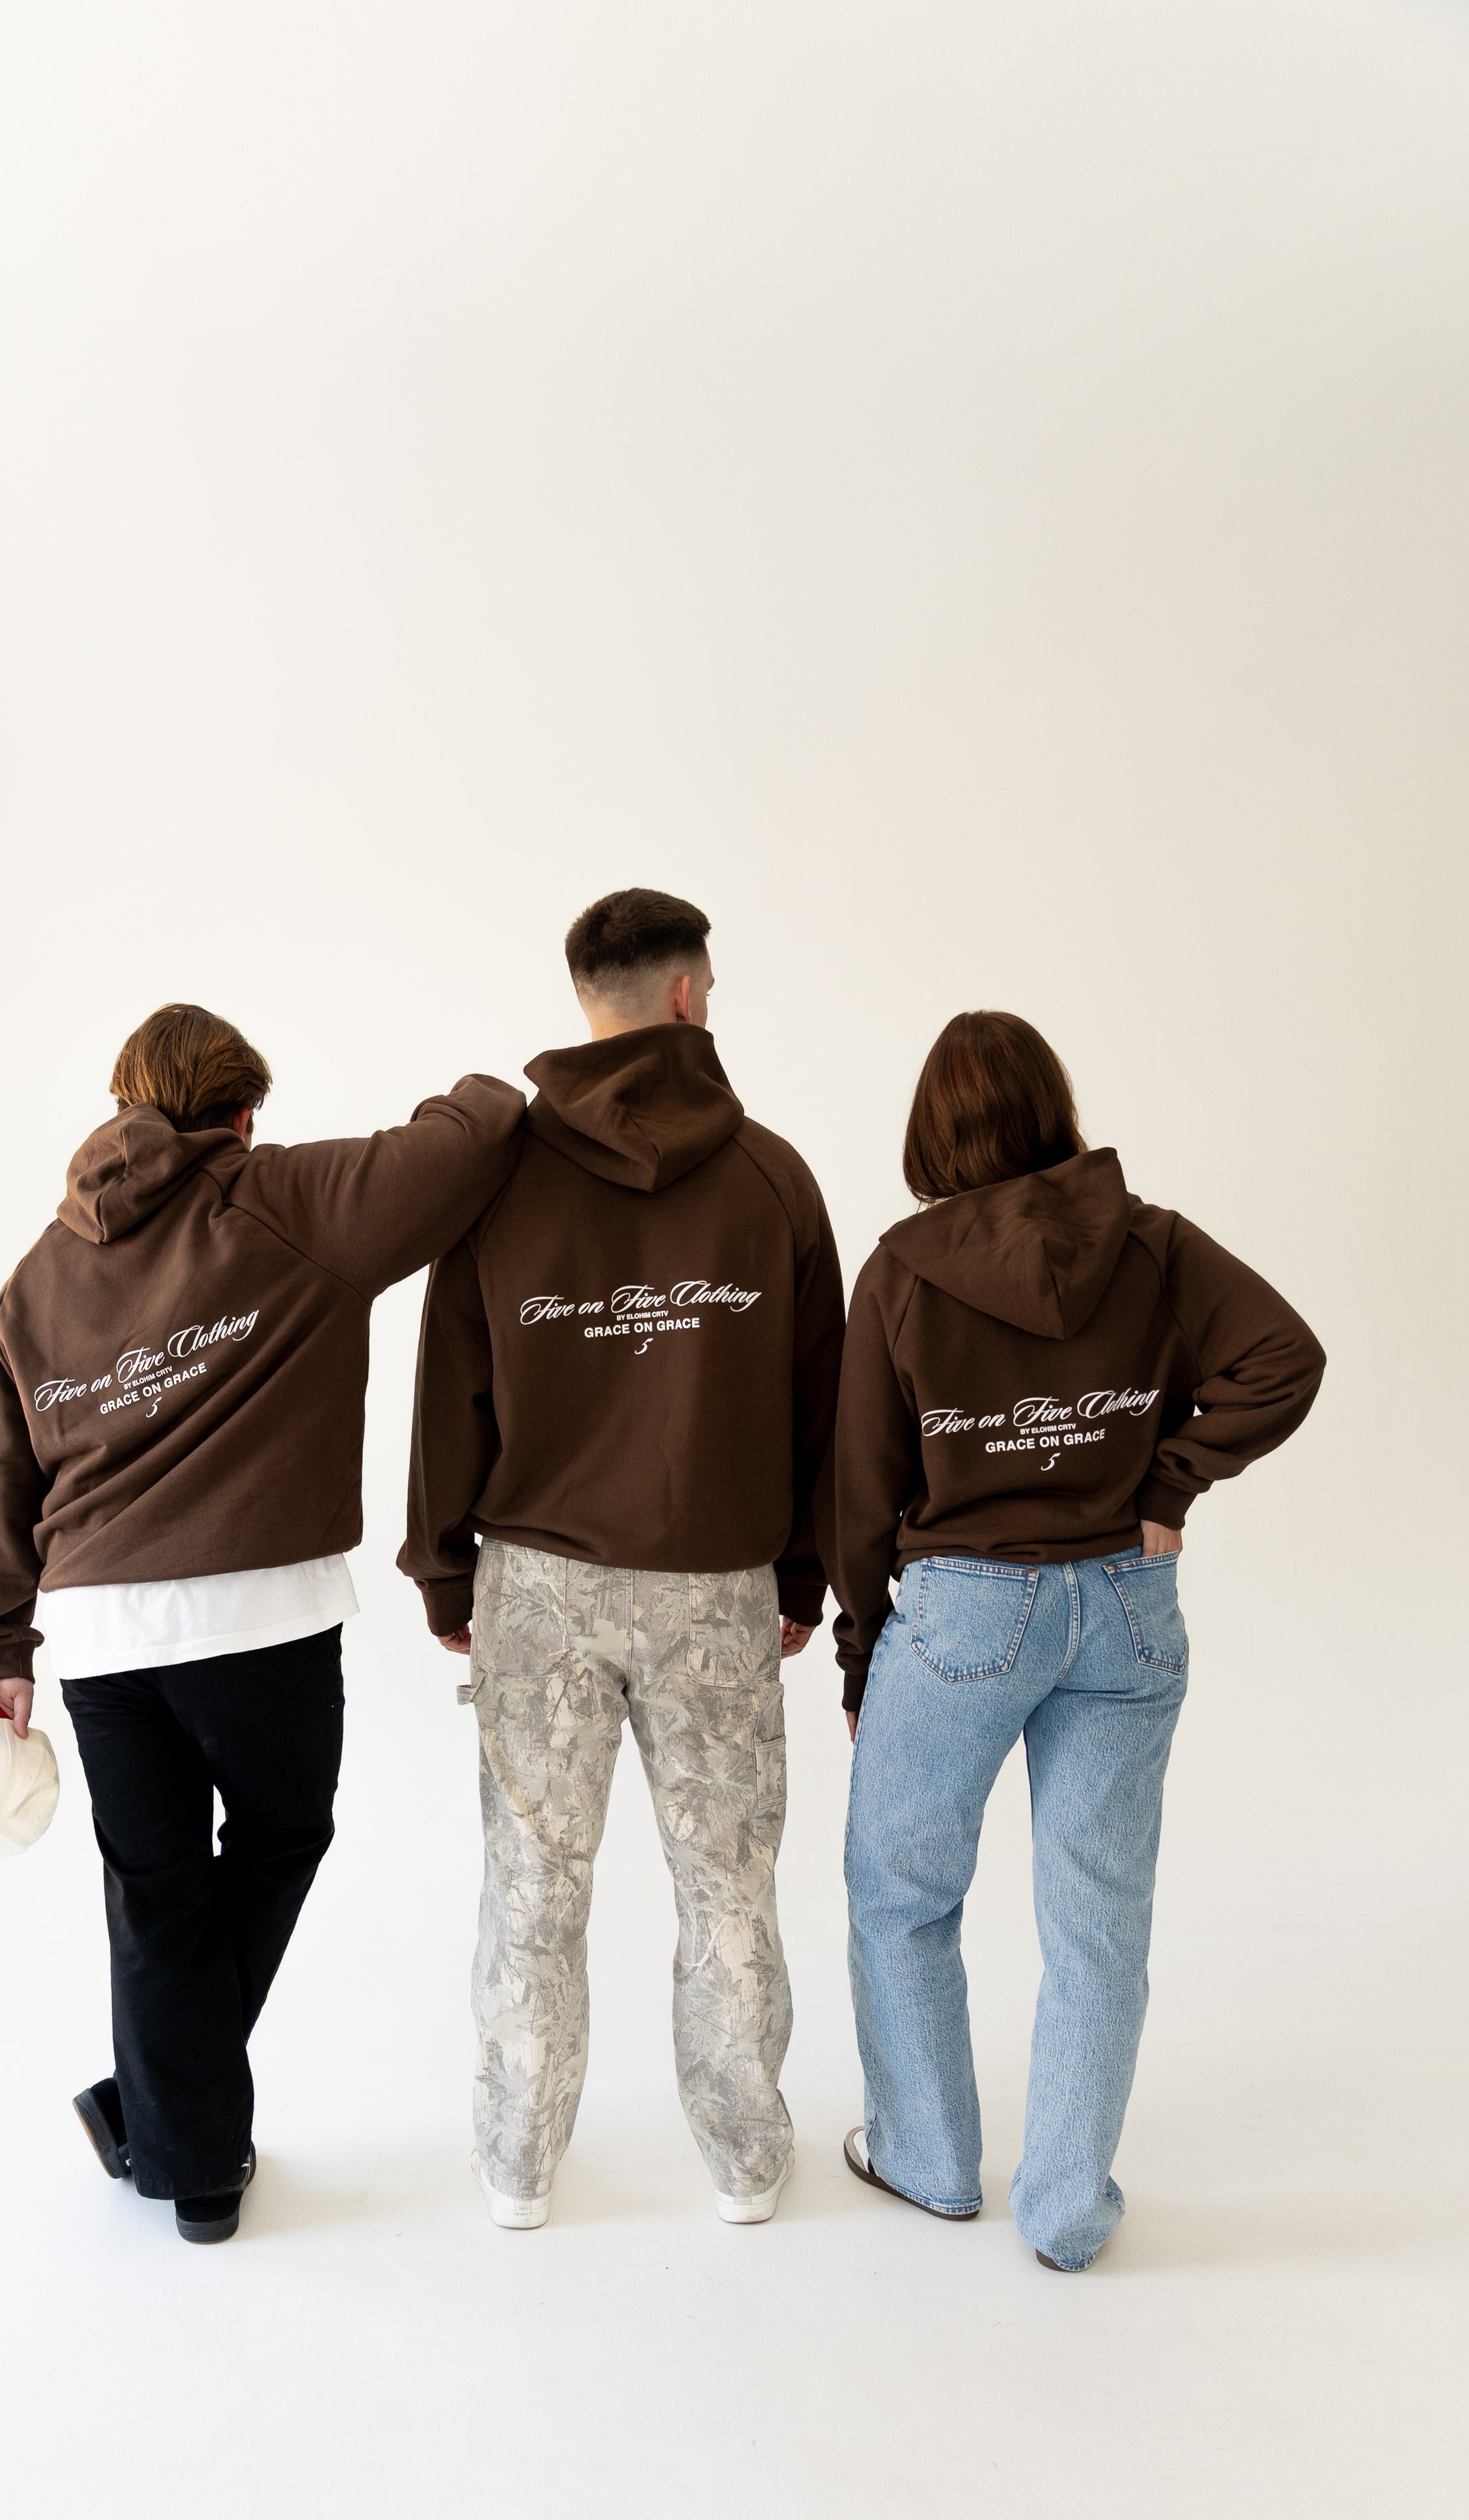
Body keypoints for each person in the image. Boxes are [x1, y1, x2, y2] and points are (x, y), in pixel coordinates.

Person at [0, 1003, 523, 2243]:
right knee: (282, 1834)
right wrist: (495, 1070)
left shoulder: (36, 1277)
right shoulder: (289, 1200)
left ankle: (176, 2145)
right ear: (245, 1113)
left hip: (98, 1640)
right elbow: (478, 1134)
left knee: (157, 1893)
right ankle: (171, 2122)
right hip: (262, 1623)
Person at [827, 1011, 1324, 2272]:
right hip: (1125, 1607)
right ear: (1055, 1106)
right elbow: (1284, 1356)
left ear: (931, 1130)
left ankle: (929, 2161)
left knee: (903, 1891)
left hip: (963, 1616)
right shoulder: (1152, 1242)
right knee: (1099, 1919)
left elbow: (860, 1487)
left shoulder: (899, 1267)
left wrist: (860, 1653)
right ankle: (1063, 2212)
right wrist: (1165, 1487)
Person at [399, 889, 844, 2228]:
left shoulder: (497, 1184)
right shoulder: (771, 1177)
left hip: (536, 1584)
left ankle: (515, 2167)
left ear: (587, 1000)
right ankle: (746, 2164)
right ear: (686, 998)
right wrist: (800, 1576)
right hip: (715, 1583)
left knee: (531, 1889)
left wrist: (441, 1569)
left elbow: (448, 1390)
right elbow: (821, 1402)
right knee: (727, 1890)